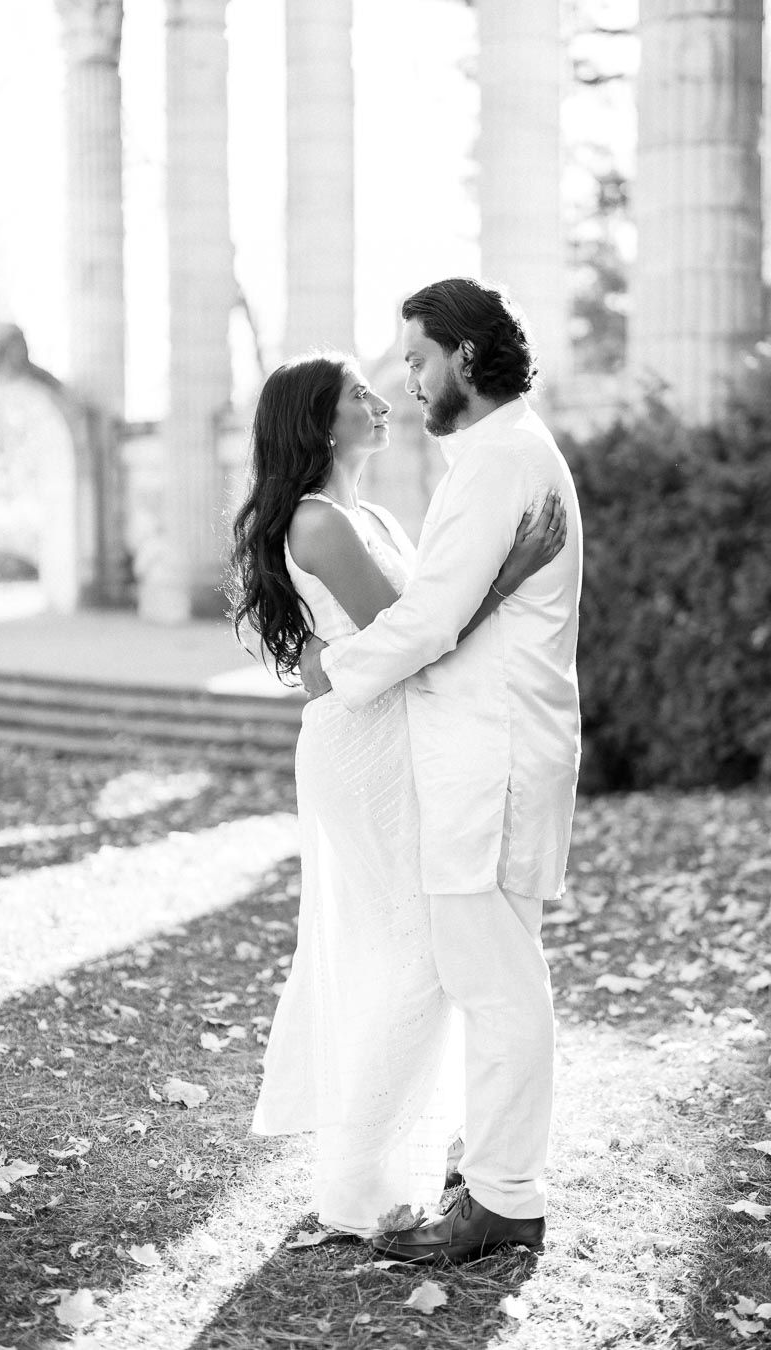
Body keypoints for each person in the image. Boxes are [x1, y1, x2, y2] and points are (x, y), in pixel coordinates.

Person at [230, 350, 566, 1239]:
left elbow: (424, 620)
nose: (383, 400)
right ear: (319, 422)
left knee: (417, 947)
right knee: (416, 946)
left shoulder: (368, 512)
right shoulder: (317, 525)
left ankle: (424, 1156)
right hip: (363, 742)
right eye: (359, 395)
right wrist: (511, 573)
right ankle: (354, 1181)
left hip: (398, 728)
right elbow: (420, 635)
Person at [300, 277, 583, 1263]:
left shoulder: (499, 459)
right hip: (493, 752)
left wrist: (333, 673)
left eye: (417, 357)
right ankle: (491, 1167)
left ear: (466, 355)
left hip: (491, 759)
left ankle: (503, 1195)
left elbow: (425, 621)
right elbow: (456, 610)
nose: (408, 379)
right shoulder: (502, 455)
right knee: (495, 973)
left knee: (496, 982)